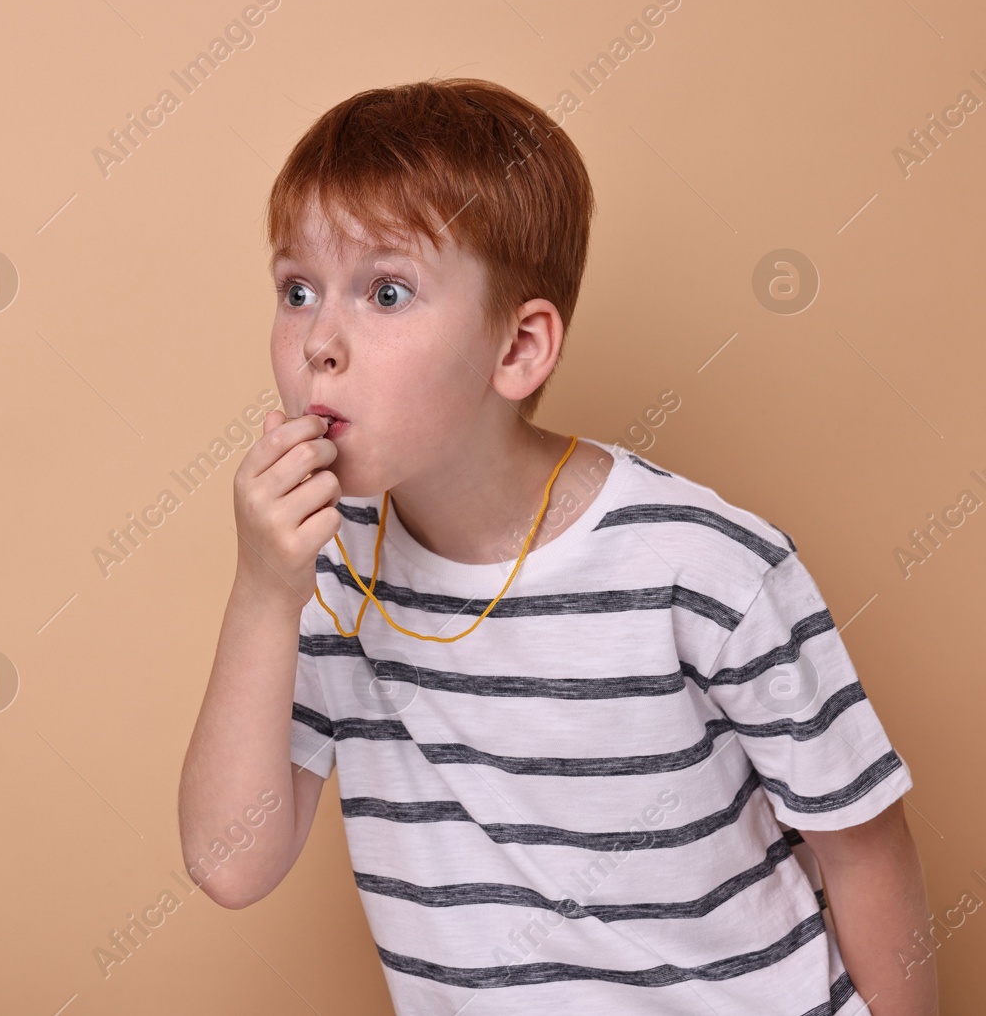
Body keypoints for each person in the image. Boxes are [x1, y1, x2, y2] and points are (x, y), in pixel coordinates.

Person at [177, 77, 936, 1015]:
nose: (319, 343)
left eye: (386, 290)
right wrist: (261, 592)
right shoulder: (328, 568)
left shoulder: (704, 568)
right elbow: (229, 863)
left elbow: (864, 847)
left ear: (519, 348)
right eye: (297, 289)